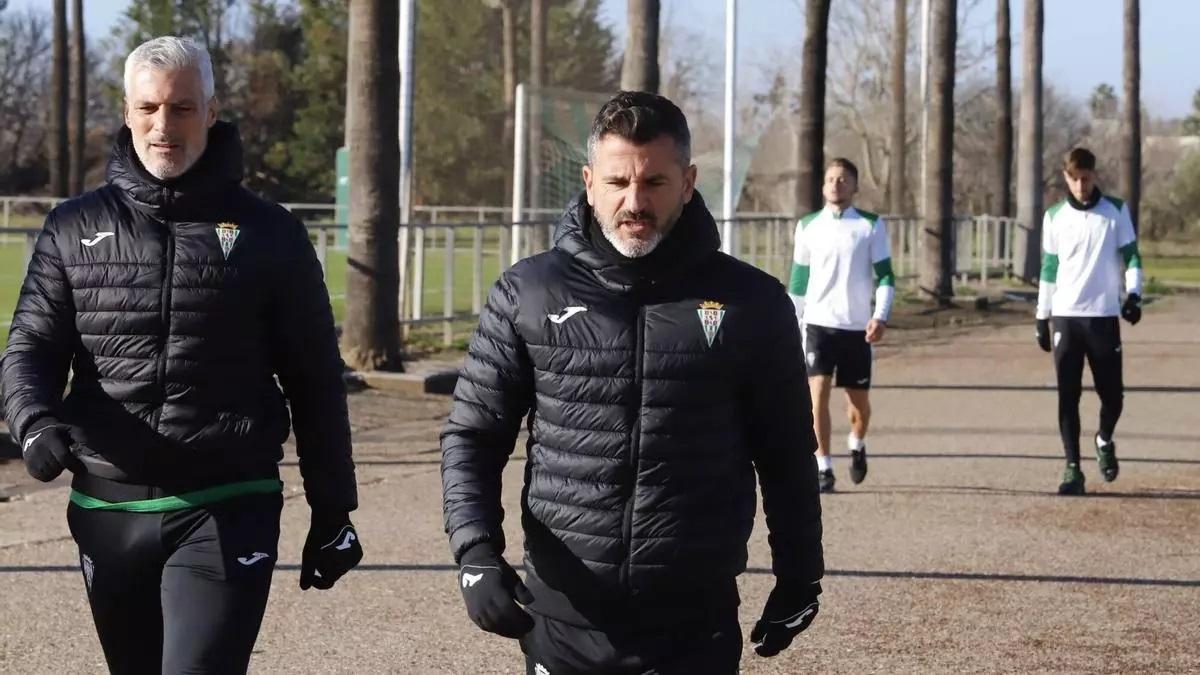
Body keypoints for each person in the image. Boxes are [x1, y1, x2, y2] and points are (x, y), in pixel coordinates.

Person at [1, 36, 363, 673]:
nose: (163, 127)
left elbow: (314, 379)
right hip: (106, 508)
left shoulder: (270, 233)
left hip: (226, 503)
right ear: (126, 110)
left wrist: (333, 508)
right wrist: (32, 423)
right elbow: (30, 345)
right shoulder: (72, 226)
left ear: (213, 111)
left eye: (182, 109)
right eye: (148, 109)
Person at [441, 91, 824, 674]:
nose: (634, 202)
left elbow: (787, 452)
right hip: (564, 619)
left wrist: (800, 575)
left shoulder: (754, 302)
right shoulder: (529, 292)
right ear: (590, 181)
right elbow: (472, 435)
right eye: (618, 182)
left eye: (655, 183)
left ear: (689, 182)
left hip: (692, 623)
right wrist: (475, 551)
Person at [1035, 147, 1143, 496]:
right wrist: (1041, 315)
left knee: (1113, 396)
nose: (1081, 186)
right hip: (1066, 317)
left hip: (1102, 316)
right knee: (1068, 396)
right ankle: (1072, 468)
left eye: (1086, 178)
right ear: (1066, 177)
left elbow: (1131, 256)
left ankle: (1104, 438)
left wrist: (1134, 295)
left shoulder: (1115, 211)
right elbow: (1049, 268)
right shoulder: (1054, 216)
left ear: (1094, 175)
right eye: (1074, 179)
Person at [787, 158, 895, 493]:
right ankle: (824, 467)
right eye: (831, 178)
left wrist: (881, 316)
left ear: (854, 186)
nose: (836, 184)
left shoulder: (870, 225)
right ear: (823, 186)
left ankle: (857, 442)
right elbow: (799, 281)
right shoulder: (808, 226)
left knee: (857, 405)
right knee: (816, 395)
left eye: (843, 179)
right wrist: (791, 324)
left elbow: (886, 276)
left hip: (857, 327)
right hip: (818, 324)